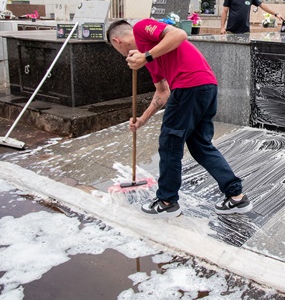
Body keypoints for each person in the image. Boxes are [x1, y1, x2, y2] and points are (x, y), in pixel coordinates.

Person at [106, 19, 253, 218]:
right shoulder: (149, 57)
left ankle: (167, 201)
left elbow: (179, 34)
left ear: (117, 41)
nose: (123, 56)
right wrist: (142, 119)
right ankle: (236, 196)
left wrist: (147, 56)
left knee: (170, 144)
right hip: (205, 87)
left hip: (189, 85)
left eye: (116, 50)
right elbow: (162, 92)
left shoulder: (142, 29)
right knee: (200, 145)